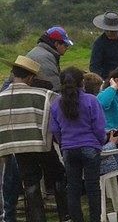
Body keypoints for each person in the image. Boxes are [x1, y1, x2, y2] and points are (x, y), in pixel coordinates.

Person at [0, 56, 68, 222]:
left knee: (30, 182)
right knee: (58, 175)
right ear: (31, 77)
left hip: (17, 147)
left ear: (13, 73)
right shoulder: (44, 95)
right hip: (42, 144)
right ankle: (65, 215)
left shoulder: (1, 97)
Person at [50, 67, 107, 222]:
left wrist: (63, 143)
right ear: (82, 82)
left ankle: (77, 219)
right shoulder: (91, 100)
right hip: (90, 146)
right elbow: (99, 127)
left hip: (68, 148)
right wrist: (99, 142)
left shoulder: (56, 104)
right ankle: (95, 219)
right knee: (93, 187)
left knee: (73, 188)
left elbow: (55, 129)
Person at [81, 73, 118, 177]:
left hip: (81, 163)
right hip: (99, 165)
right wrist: (111, 143)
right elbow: (96, 154)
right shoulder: (93, 112)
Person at [9, 26, 74, 92]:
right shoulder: (45, 59)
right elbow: (55, 90)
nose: (67, 48)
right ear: (57, 44)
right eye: (65, 45)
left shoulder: (41, 52)